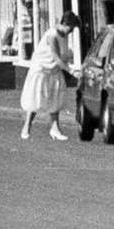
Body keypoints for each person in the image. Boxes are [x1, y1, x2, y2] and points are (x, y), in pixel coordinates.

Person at [19, 11, 81, 140]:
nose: (71, 32)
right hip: (41, 69)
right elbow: (56, 57)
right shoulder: (51, 35)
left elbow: (63, 57)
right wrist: (72, 71)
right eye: (71, 28)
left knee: (55, 98)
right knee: (35, 99)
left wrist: (69, 63)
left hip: (54, 70)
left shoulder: (64, 35)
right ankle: (26, 127)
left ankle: (55, 129)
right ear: (65, 24)